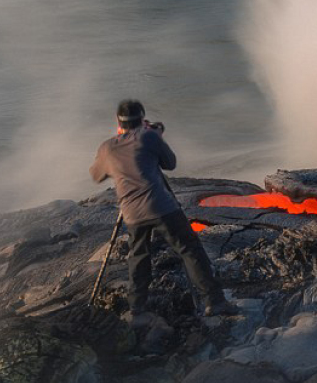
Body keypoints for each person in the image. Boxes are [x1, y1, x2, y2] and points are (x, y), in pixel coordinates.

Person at [89, 99, 236, 318]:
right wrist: (156, 136)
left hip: (132, 214)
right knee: (190, 249)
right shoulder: (149, 137)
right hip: (161, 207)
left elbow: (96, 175)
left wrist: (118, 159)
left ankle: (137, 308)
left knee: (138, 256)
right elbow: (170, 163)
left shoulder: (108, 147)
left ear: (118, 122)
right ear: (142, 119)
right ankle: (214, 302)